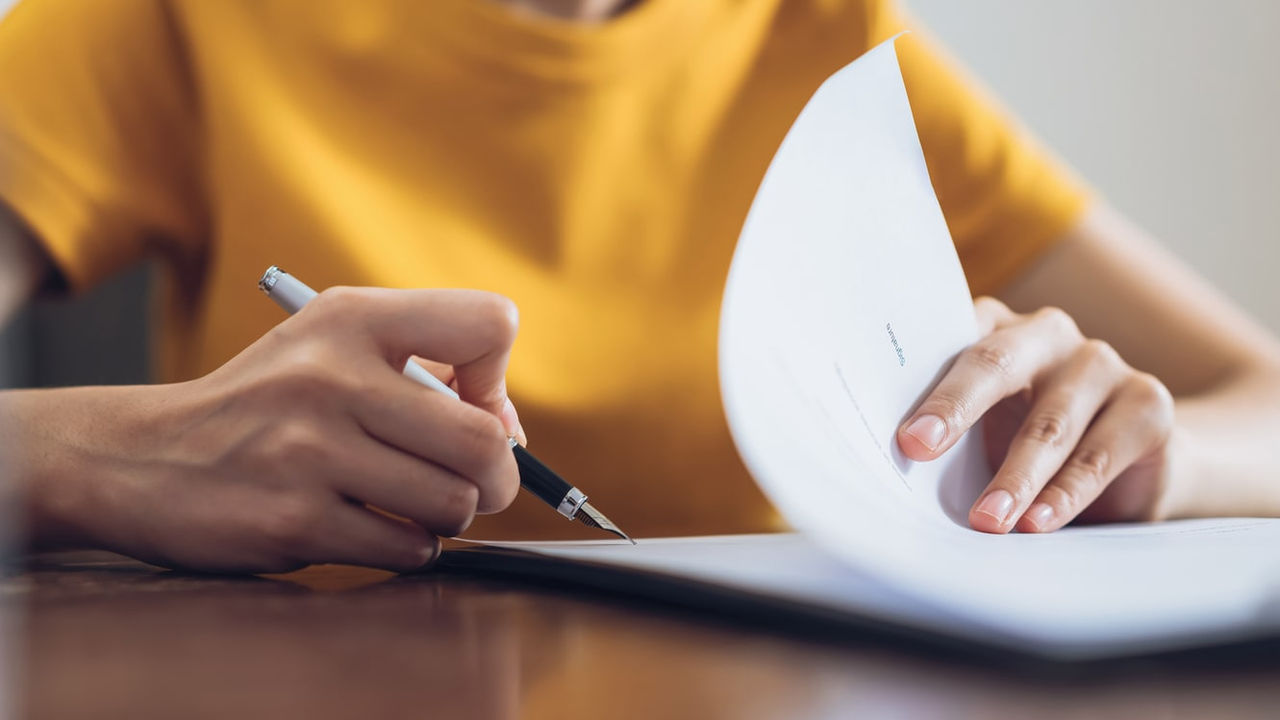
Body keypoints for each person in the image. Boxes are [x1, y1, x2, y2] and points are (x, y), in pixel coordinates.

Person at [1, 0, 1278, 574]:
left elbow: (1260, 403)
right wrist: (100, 457)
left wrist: (1142, 459)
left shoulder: (831, 46)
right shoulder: (174, 15)